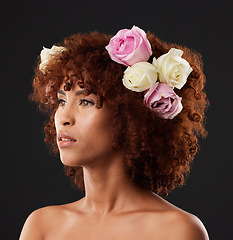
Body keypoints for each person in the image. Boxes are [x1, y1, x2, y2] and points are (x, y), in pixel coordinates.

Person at [19, 26, 209, 239]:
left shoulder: (176, 230)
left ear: (130, 116)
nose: (63, 118)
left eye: (85, 101)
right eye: (61, 101)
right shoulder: (42, 226)